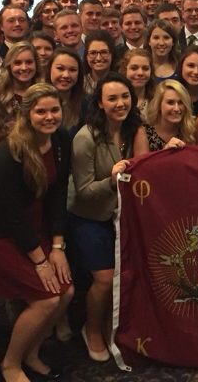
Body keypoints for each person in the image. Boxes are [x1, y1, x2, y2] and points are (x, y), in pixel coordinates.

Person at [0, 84, 74, 382]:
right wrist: (41, 262)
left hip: (35, 226)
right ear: (26, 115)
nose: (49, 116)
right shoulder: (9, 152)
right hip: (0, 235)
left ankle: (32, 351)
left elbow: (58, 194)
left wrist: (57, 247)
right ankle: (11, 364)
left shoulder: (60, 140)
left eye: (54, 110)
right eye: (40, 111)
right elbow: (11, 215)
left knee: (66, 291)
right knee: (47, 299)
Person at [68, 72, 143, 362]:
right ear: (99, 103)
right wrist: (113, 180)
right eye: (112, 98)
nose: (120, 103)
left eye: (125, 97)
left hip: (123, 218)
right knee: (103, 279)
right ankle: (92, 328)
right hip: (89, 218)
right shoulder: (85, 138)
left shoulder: (133, 129)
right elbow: (83, 192)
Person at [136, 80, 194, 153]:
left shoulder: (188, 131)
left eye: (180, 103)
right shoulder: (143, 132)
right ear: (159, 105)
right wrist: (165, 152)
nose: (176, 108)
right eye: (170, 103)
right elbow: (142, 164)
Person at [47, 49, 84, 136]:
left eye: (72, 70)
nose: (66, 75)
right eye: (60, 68)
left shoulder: (87, 104)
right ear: (49, 69)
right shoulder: (36, 100)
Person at [0, 42, 38, 118]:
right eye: (18, 63)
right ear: (9, 66)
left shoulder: (44, 93)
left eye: (29, 62)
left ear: (36, 64)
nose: (24, 68)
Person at [119, 48, 157, 113]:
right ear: (125, 70)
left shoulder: (157, 99)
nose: (140, 73)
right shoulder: (117, 100)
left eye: (145, 68)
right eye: (134, 68)